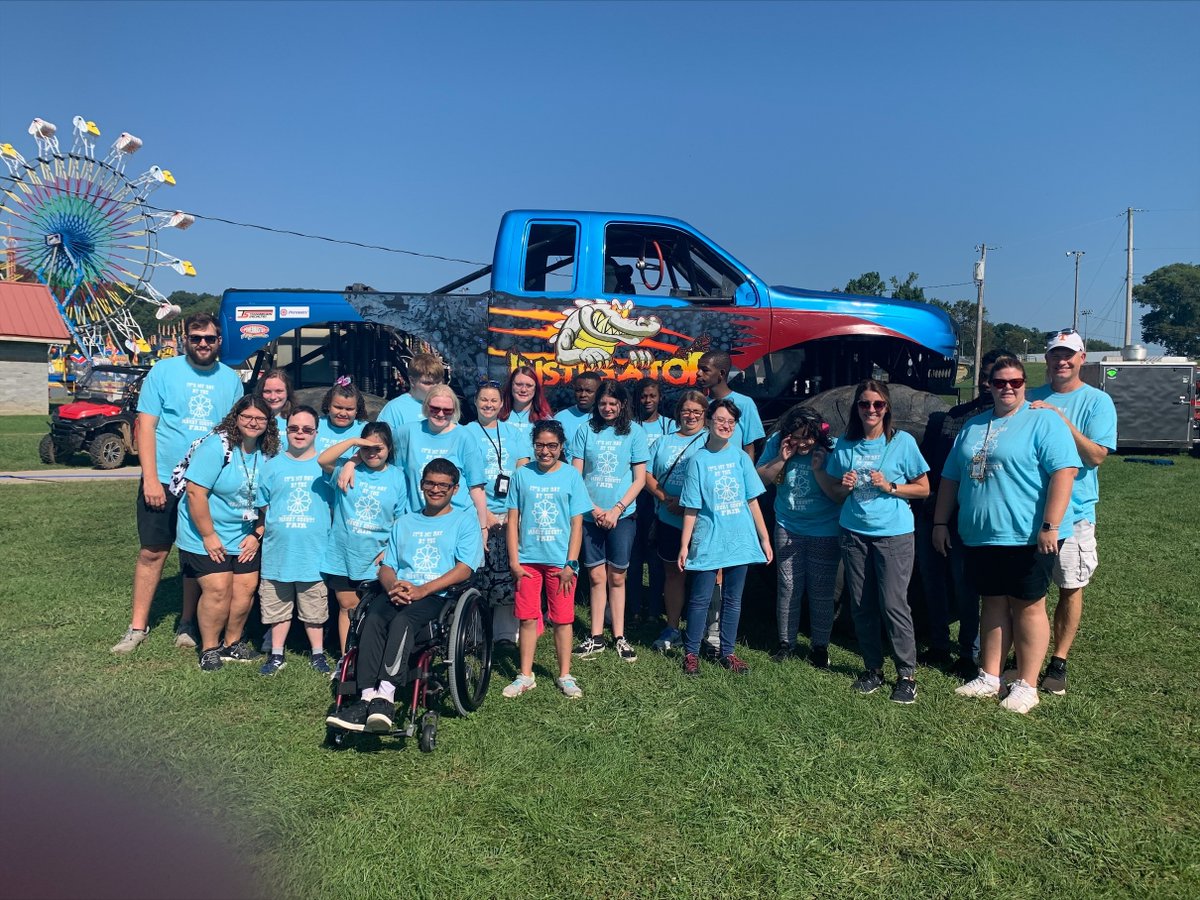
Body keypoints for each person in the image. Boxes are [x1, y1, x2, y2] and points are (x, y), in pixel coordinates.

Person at [934, 355, 1081, 714]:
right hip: (982, 534)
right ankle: (990, 676)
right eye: (1000, 382)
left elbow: (1065, 471)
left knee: (1029, 607)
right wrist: (940, 523)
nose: (1008, 388)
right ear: (989, 385)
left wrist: (1050, 525)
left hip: (1029, 534)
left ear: (1024, 384)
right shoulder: (973, 426)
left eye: (1015, 382)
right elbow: (951, 478)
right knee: (994, 603)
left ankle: (1027, 684)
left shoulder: (1042, 420)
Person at [112, 312, 244, 655]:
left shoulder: (230, 380)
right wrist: (151, 479)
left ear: (219, 342)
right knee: (152, 551)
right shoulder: (164, 372)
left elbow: (234, 433)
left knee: (194, 555)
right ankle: (137, 626)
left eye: (210, 338)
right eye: (196, 337)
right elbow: (147, 426)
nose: (203, 343)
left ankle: (186, 624)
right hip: (164, 478)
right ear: (184, 339)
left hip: (206, 483)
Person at [325, 459, 483, 733]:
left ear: (455, 489)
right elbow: (387, 566)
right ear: (422, 485)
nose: (436, 489)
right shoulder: (405, 522)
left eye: (443, 485)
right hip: (398, 590)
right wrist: (393, 586)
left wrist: (422, 589)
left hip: (436, 595)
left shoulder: (463, 521)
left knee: (402, 622)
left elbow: (464, 569)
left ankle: (385, 697)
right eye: (430, 483)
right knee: (373, 618)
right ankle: (365, 699)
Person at [825, 380, 930, 704]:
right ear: (856, 408)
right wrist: (843, 486)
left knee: (893, 604)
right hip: (854, 533)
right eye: (865, 404)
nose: (871, 410)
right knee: (861, 604)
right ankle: (872, 669)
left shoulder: (903, 442)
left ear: (887, 408)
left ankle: (906, 675)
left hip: (893, 534)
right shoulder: (845, 445)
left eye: (877, 404)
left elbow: (924, 488)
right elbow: (835, 494)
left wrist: (892, 488)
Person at [1028, 329, 1117, 695]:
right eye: (1054, 355)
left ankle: (1059, 661)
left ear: (1082, 358)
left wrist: (1060, 421)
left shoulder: (1097, 402)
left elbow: (1096, 456)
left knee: (1068, 586)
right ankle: (1023, 655)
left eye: (1069, 354)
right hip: (1029, 510)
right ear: (1046, 359)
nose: (1061, 361)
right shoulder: (1030, 396)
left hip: (1075, 513)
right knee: (1027, 590)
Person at [916, 348, 1011, 679]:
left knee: (965, 587)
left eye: (995, 376)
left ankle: (969, 652)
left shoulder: (1009, 423)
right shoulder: (953, 417)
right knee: (933, 581)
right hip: (935, 512)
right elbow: (931, 466)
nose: (988, 383)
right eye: (985, 376)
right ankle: (940, 644)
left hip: (970, 518)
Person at [176, 395, 280, 671]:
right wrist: (209, 535)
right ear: (236, 418)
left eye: (260, 418)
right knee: (219, 588)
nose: (253, 422)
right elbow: (196, 492)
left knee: (245, 589)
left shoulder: (268, 452)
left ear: (268, 423)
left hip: (244, 534)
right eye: (247, 417)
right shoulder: (217, 447)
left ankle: (232, 643)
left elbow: (272, 500)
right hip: (204, 532)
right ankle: (209, 647)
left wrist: (257, 533)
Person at [677, 398, 773, 675]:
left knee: (733, 598)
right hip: (709, 539)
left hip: (740, 538)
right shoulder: (698, 461)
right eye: (720, 420)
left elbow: (752, 501)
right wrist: (684, 545)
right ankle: (691, 653)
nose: (725, 426)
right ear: (708, 421)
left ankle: (727, 652)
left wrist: (764, 539)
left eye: (731, 422)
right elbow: (691, 507)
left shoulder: (741, 458)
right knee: (700, 598)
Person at [503, 420, 591, 699]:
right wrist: (514, 562)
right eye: (540, 445)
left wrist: (571, 564)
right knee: (528, 618)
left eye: (552, 446)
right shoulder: (521, 475)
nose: (545, 451)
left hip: (560, 562)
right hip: (528, 560)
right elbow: (512, 520)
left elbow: (577, 525)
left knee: (563, 620)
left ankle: (565, 674)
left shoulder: (571, 476)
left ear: (561, 447)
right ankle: (525, 675)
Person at [756, 407, 842, 668]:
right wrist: (781, 459)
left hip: (824, 528)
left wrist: (819, 470)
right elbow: (759, 480)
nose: (802, 443)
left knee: (821, 591)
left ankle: (820, 646)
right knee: (788, 587)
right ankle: (786, 643)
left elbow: (838, 493)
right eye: (796, 437)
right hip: (788, 524)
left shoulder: (832, 449)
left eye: (808, 437)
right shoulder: (777, 444)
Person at [570, 379, 650, 662]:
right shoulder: (585, 430)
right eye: (602, 403)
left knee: (617, 576)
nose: (607, 407)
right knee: (595, 575)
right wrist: (593, 510)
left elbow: (640, 478)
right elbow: (576, 476)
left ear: (622, 404)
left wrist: (616, 509)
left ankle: (619, 635)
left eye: (612, 403)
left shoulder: (634, 433)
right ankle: (596, 636)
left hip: (623, 516)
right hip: (591, 517)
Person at [254, 405, 334, 676]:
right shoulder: (272, 466)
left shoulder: (326, 466)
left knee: (314, 611)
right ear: (286, 430)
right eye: (294, 428)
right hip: (278, 554)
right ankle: (276, 654)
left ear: (316, 432)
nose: (300, 434)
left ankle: (318, 654)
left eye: (307, 429)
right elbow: (264, 505)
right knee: (277, 609)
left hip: (313, 554)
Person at [319, 422, 408, 655]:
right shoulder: (347, 469)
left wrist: (391, 552)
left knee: (374, 611)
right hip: (344, 553)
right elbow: (323, 460)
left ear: (389, 448)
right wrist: (352, 449)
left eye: (378, 448)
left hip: (377, 555)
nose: (372, 453)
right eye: (367, 447)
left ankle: (369, 656)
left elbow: (401, 519)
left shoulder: (398, 477)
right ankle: (345, 658)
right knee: (347, 607)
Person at [644, 390, 708, 653]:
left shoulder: (711, 440)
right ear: (678, 412)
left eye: (697, 412)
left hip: (703, 521)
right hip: (670, 518)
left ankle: (706, 630)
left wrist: (688, 502)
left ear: (705, 415)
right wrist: (665, 496)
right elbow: (645, 473)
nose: (691, 416)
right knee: (674, 573)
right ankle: (672, 626)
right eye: (686, 410)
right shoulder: (662, 441)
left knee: (709, 576)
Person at [465, 383, 531, 640]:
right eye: (484, 400)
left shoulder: (513, 432)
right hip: (479, 512)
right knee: (478, 573)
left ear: (502, 404)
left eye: (494, 400)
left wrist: (516, 511)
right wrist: (484, 514)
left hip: (510, 513)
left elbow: (522, 469)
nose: (489, 405)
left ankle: (505, 633)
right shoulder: (466, 432)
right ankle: (475, 631)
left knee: (507, 571)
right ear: (476, 401)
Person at [627, 379, 675, 623]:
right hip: (635, 501)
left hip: (658, 500)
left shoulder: (670, 426)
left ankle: (655, 610)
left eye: (652, 396)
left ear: (660, 397)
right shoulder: (629, 426)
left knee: (657, 561)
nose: (647, 400)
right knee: (634, 559)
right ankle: (635, 609)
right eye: (643, 396)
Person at [695, 349, 764, 459]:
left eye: (705, 370)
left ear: (721, 373)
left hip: (732, 469)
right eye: (698, 368)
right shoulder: (699, 404)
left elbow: (749, 447)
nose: (698, 373)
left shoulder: (745, 403)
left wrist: (747, 474)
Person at [377, 352, 445, 433]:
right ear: (412, 381)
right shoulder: (395, 409)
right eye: (428, 383)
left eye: (438, 382)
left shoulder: (446, 405)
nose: (435, 388)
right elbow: (380, 442)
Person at [316, 378, 368, 461]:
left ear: (357, 410)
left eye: (349, 409)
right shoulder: (315, 424)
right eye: (338, 407)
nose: (343, 413)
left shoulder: (366, 429)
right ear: (329, 405)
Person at [555, 370, 601, 461]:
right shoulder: (560, 418)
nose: (583, 395)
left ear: (599, 393)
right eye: (579, 390)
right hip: (570, 472)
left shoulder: (605, 417)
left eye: (589, 391)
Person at [499, 365, 551, 441]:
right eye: (519, 384)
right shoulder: (496, 416)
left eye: (529, 385)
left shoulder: (545, 420)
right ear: (511, 386)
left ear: (536, 389)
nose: (523, 390)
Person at [253, 368, 296, 436]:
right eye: (267, 391)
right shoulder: (251, 421)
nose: (273, 397)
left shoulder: (298, 420)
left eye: (279, 391)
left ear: (288, 392)